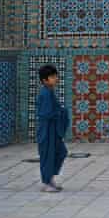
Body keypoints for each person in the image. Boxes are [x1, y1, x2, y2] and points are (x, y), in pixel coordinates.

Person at [36, 65, 69, 193]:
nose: (56, 79)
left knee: (61, 152)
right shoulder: (45, 93)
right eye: (52, 77)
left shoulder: (50, 92)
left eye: (56, 76)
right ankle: (46, 182)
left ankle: (50, 178)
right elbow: (45, 113)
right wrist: (59, 112)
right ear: (45, 80)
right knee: (48, 156)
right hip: (47, 130)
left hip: (53, 130)